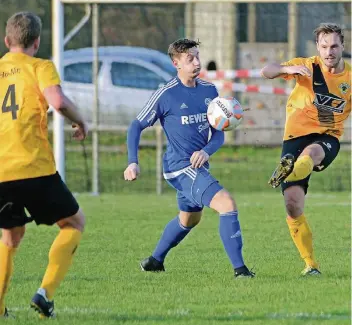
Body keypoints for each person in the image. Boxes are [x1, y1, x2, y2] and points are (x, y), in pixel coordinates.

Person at [124, 38, 254, 279]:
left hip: (198, 166)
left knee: (189, 219)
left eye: (197, 56)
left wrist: (206, 151)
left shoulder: (209, 90)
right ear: (176, 63)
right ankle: (241, 271)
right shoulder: (166, 94)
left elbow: (218, 136)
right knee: (227, 204)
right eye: (189, 58)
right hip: (178, 167)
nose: (196, 62)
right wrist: (133, 161)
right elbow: (135, 126)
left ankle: (154, 261)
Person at [0, 12, 88, 318]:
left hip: (0, 172)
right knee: (74, 223)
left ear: (6, 41)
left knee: (10, 237)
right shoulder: (40, 67)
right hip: (33, 167)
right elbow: (59, 102)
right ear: (37, 42)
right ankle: (44, 293)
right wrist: (80, 121)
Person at [261, 23, 351, 275]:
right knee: (292, 204)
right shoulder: (307, 66)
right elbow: (266, 71)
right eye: (324, 46)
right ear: (318, 48)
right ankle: (311, 265)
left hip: (327, 138)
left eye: (334, 46)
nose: (329, 51)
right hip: (293, 138)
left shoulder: (350, 79)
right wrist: (286, 68)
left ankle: (290, 167)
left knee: (311, 154)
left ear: (342, 46)